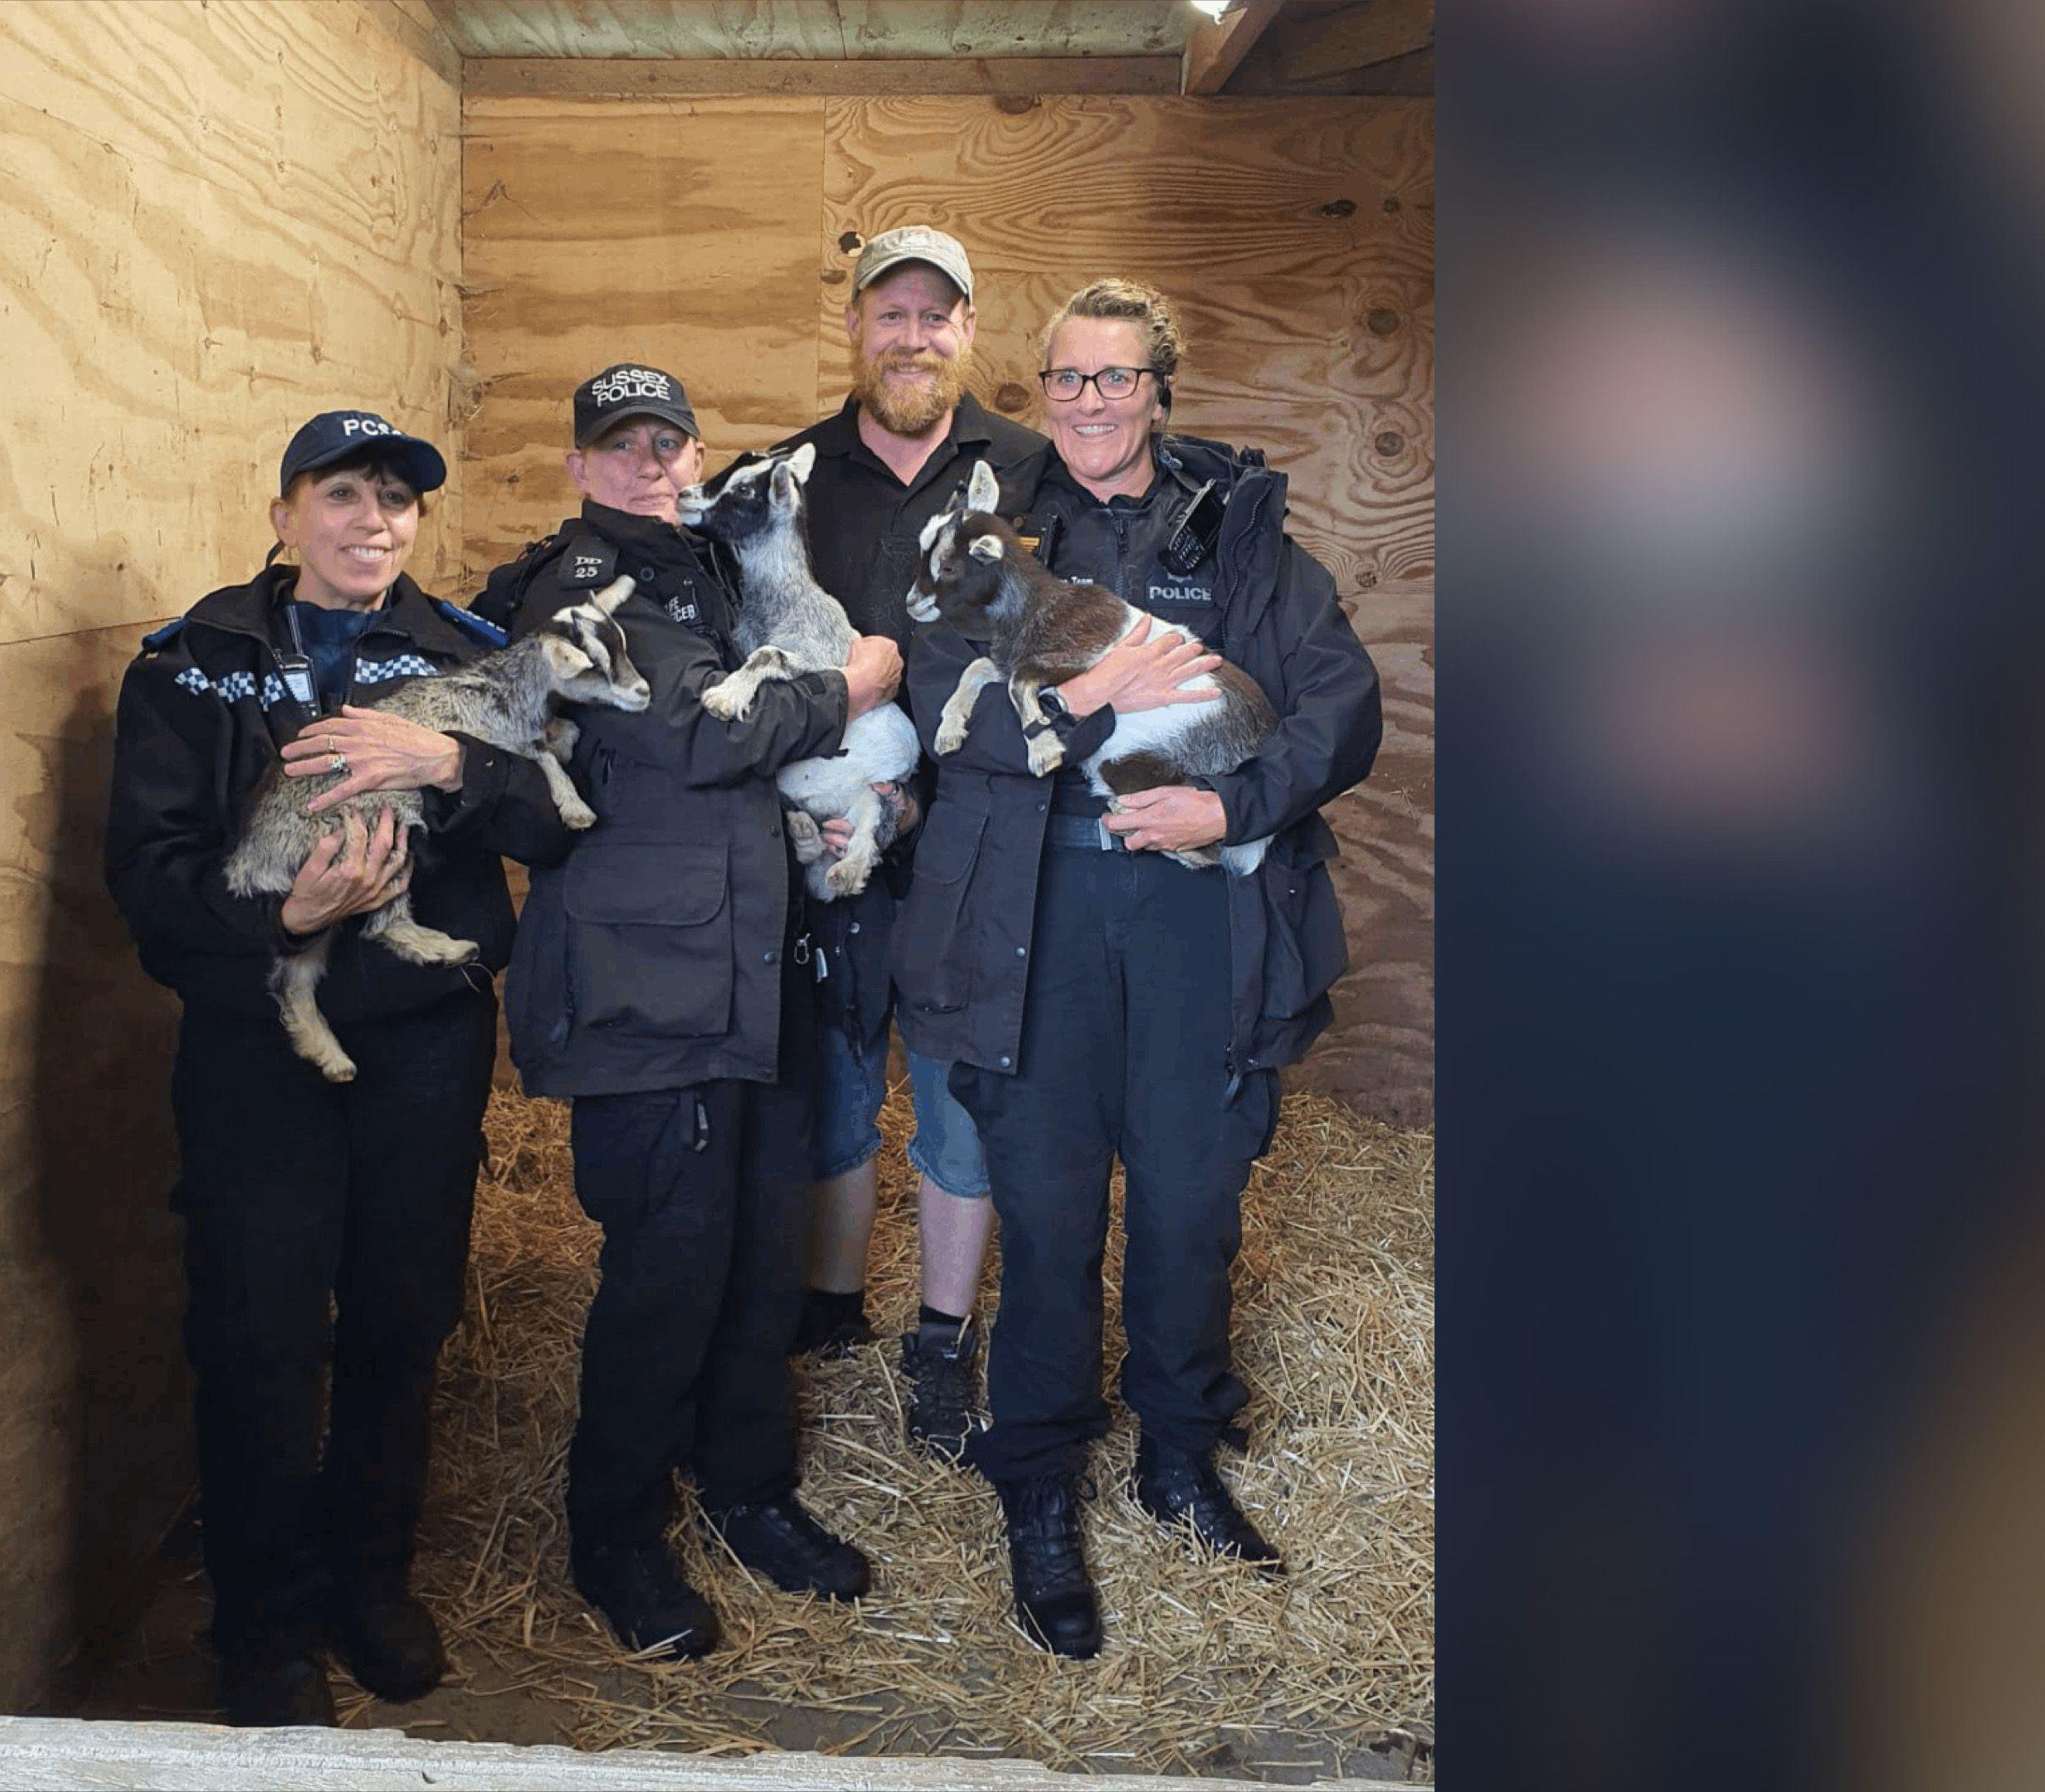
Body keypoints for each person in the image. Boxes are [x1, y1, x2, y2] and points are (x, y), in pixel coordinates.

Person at [893, 280, 1382, 1658]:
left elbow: (1338, 704)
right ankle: (1039, 1474)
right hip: (1033, 913)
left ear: (1161, 389)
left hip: (1189, 910)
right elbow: (938, 700)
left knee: (1187, 1198)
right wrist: (1077, 700)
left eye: (1115, 379)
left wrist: (1233, 807)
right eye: (1067, 379)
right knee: (1047, 1205)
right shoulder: (988, 523)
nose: (1090, 402)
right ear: (1041, 390)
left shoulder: (1237, 532)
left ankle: (1178, 1449)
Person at [103, 410, 578, 1726]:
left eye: (400, 503)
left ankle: (373, 1586)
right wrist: (284, 920)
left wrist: (454, 761)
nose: (376, 522)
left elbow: (556, 815)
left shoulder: (470, 655)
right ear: (283, 515)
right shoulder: (193, 666)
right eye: (345, 496)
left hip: (423, 1048)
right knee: (256, 1338)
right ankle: (265, 1623)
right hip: (258, 1047)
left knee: (397, 1320)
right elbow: (145, 879)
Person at [749, 226, 1221, 1469]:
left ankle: (944, 1338)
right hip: (832, 826)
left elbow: (1062, 645)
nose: (912, 337)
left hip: (993, 834)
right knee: (836, 1077)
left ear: (970, 332)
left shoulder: (1029, 472)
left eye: (936, 316)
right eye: (889, 314)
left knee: (964, 1100)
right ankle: (830, 1303)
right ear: (856, 326)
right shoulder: (787, 477)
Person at [479, 364, 906, 1659]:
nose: (652, 466)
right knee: (665, 1274)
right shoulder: (579, 589)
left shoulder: (711, 572)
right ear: (580, 466)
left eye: (669, 443)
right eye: (621, 448)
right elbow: (689, 734)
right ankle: (614, 1535)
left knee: (757, 1258)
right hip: (645, 988)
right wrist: (855, 688)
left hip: (749, 973)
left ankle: (747, 1491)